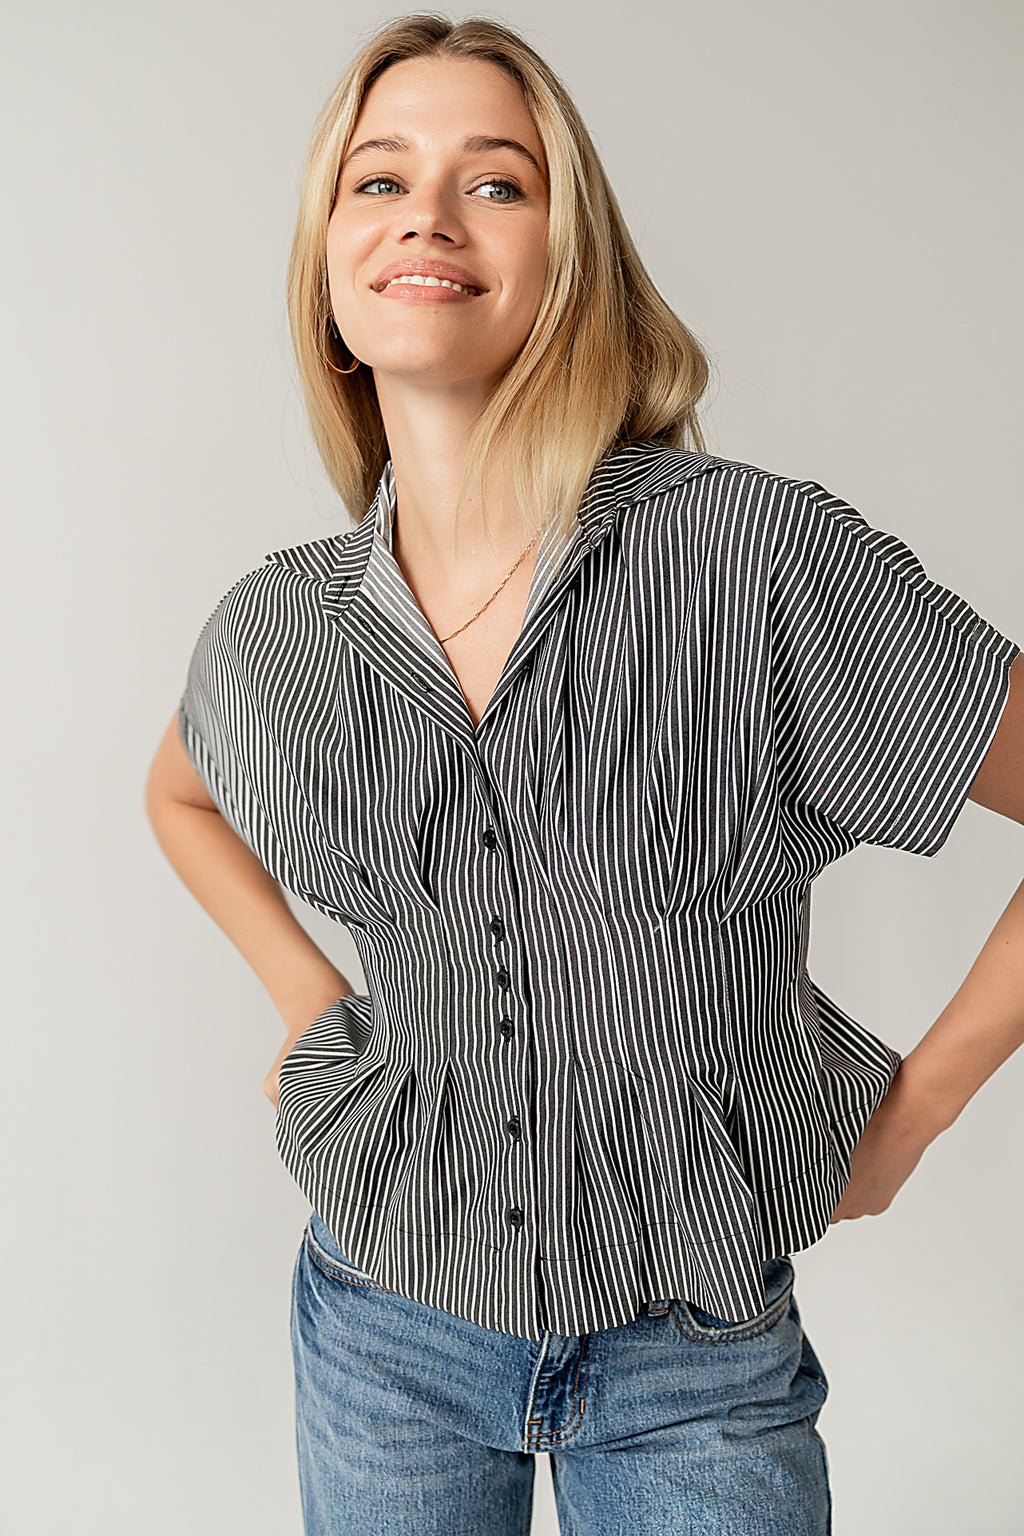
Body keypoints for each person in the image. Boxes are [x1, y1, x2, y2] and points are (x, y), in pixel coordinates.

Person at [145, 13, 1024, 1535]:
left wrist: (915, 1112)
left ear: (570, 259)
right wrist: (304, 1001)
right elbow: (179, 794)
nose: (427, 213)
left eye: (495, 182)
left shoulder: (749, 557)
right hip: (384, 1327)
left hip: (694, 1358)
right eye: (378, 179)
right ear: (329, 268)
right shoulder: (281, 626)